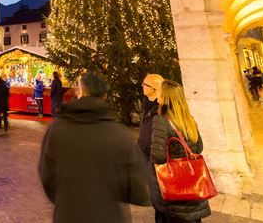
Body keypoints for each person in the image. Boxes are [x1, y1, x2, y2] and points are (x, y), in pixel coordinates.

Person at [39, 71, 150, 222]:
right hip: (110, 216)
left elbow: (47, 177)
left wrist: (67, 198)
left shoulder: (57, 130)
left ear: (81, 91)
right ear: (104, 95)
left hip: (69, 214)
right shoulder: (121, 134)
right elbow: (140, 189)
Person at [150, 80, 211, 222]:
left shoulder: (161, 120)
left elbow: (158, 155)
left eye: (160, 91)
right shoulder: (189, 119)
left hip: (175, 186)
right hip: (193, 184)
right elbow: (198, 147)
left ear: (166, 97)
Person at [138, 73, 163, 160]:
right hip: (143, 156)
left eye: (145, 84)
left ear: (153, 89)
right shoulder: (147, 104)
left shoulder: (160, 110)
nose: (142, 86)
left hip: (153, 160)